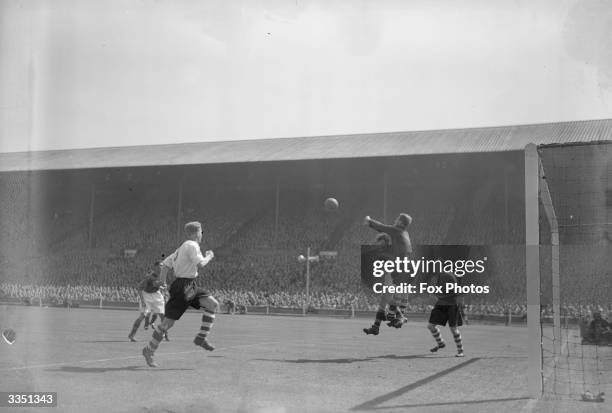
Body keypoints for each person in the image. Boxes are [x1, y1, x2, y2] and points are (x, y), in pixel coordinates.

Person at [142, 221, 217, 367]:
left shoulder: (181, 248)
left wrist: (163, 282)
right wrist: (209, 256)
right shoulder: (192, 245)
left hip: (189, 285)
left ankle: (201, 338)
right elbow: (201, 264)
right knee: (167, 323)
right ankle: (149, 350)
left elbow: (165, 265)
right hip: (183, 286)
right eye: (201, 232)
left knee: (212, 304)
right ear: (196, 233)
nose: (202, 235)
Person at [363, 213, 413, 335]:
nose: (395, 220)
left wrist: (369, 221)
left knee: (386, 297)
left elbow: (381, 227)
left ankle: (400, 316)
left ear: (401, 222)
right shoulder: (404, 235)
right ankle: (376, 326)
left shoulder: (397, 231)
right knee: (384, 299)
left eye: (397, 219)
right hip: (402, 269)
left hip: (397, 269)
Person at [128, 261, 168, 342]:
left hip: (156, 294)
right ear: (155, 267)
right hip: (146, 295)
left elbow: (162, 285)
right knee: (142, 316)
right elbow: (139, 288)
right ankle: (131, 335)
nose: (161, 267)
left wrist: (164, 287)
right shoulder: (149, 277)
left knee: (163, 315)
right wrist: (142, 301)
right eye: (160, 266)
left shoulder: (162, 275)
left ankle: (165, 335)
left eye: (162, 266)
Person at [427, 271, 465, 357]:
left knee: (453, 329)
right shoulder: (436, 277)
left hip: (452, 304)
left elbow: (454, 291)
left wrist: (437, 294)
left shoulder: (449, 276)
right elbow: (433, 290)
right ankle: (441, 343)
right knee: (430, 326)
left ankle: (460, 351)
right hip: (441, 304)